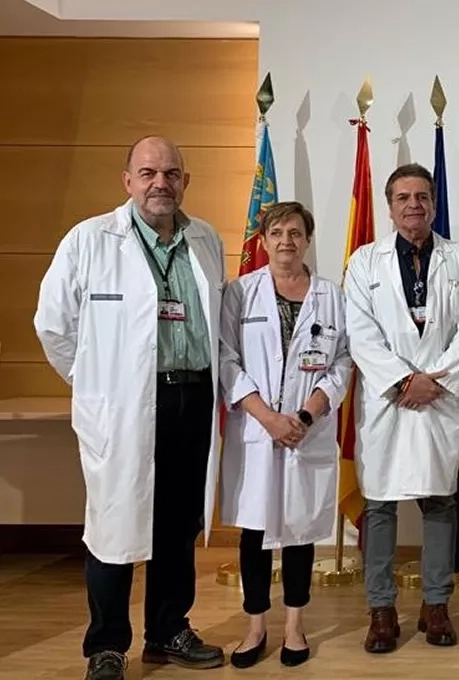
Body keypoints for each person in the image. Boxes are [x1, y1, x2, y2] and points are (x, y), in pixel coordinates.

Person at [33, 136, 227, 680]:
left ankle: (167, 630)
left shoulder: (205, 239)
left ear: (185, 181)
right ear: (127, 181)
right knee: (114, 526)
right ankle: (107, 645)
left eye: (170, 173)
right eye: (147, 173)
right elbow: (53, 326)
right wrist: (97, 386)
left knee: (179, 524)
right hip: (122, 407)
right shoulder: (90, 240)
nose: (160, 183)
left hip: (192, 398)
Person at [343, 162, 459, 653]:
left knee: (440, 500)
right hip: (389, 400)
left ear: (433, 203)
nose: (413, 205)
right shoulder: (365, 262)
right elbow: (360, 333)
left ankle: (436, 604)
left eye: (422, 196)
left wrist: (432, 382)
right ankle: (381, 609)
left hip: (438, 401)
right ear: (389, 206)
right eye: (403, 197)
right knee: (380, 505)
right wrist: (405, 380)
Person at [217, 201, 353, 668]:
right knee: (254, 530)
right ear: (263, 240)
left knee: (299, 530)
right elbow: (227, 360)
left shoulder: (331, 296)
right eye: (276, 233)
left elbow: (342, 361)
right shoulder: (240, 293)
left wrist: (307, 414)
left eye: (295, 232)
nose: (286, 242)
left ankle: (295, 625)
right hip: (257, 431)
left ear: (308, 240)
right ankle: (255, 626)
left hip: (306, 431)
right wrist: (267, 417)